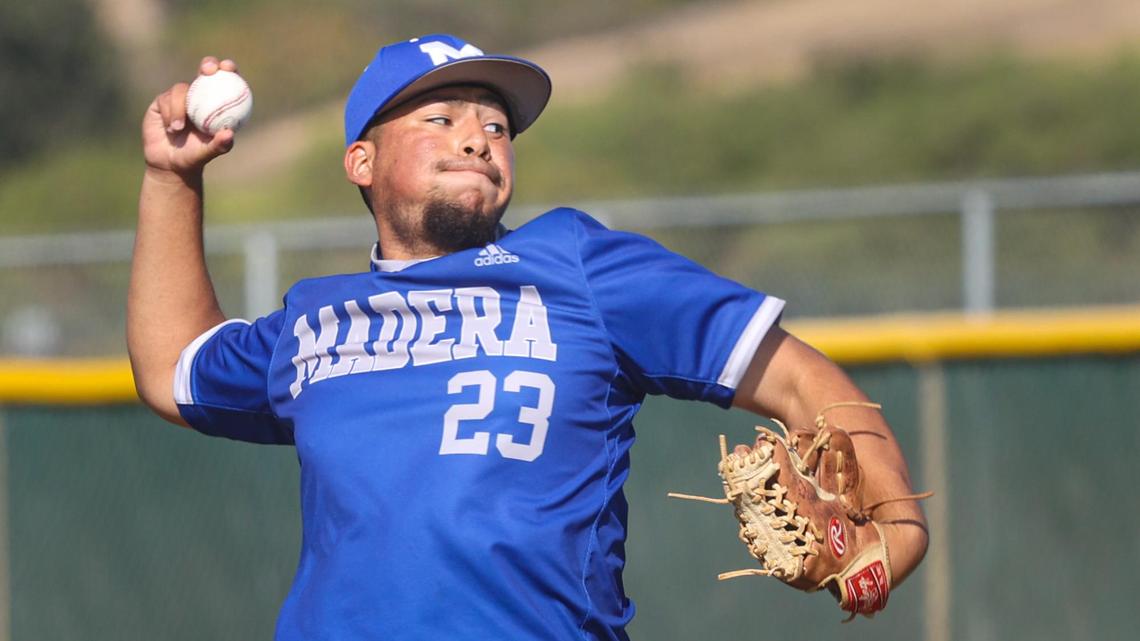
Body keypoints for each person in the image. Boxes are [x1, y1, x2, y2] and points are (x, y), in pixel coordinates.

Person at [128, 33, 927, 641]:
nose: (478, 138)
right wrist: (173, 177)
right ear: (361, 161)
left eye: (497, 127)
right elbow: (172, 368)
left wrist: (898, 527)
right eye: (440, 118)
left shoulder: (575, 262)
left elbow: (802, 380)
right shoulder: (316, 320)